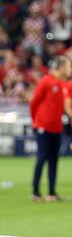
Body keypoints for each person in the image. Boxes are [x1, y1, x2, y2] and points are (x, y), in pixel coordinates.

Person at [30, 56, 72, 202]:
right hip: (43, 126)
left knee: (54, 159)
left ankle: (52, 192)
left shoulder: (63, 85)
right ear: (61, 67)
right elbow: (34, 102)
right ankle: (35, 192)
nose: (70, 70)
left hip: (57, 127)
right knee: (42, 157)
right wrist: (36, 122)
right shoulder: (46, 81)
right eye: (68, 66)